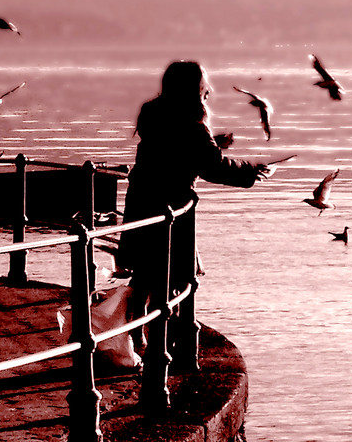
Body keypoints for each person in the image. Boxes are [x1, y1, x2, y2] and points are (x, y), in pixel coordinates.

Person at [117, 61, 273, 349]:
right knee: (171, 278)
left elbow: (171, 150)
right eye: (203, 87)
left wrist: (213, 142)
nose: (208, 92)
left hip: (143, 201)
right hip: (171, 208)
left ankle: (137, 336)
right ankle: (164, 349)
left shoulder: (153, 112)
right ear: (194, 90)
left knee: (145, 272)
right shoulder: (191, 121)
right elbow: (211, 166)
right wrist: (250, 171)